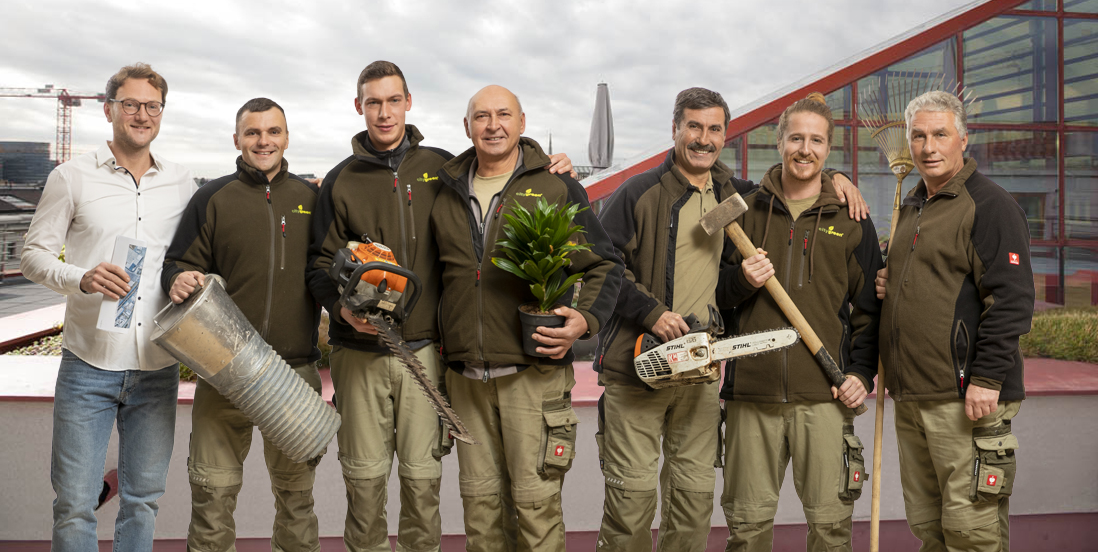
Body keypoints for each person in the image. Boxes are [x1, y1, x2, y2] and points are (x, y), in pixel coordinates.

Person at [306, 62, 575, 552]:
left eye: (393, 100)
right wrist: (341, 311)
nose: (384, 112)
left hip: (426, 353)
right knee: (363, 485)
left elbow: (501, 172)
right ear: (358, 106)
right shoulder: (339, 181)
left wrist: (549, 165)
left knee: (422, 485)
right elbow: (319, 264)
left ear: (409, 102)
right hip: (358, 351)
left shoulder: (445, 168)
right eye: (373, 102)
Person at [592, 87, 868, 552]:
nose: (703, 138)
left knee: (693, 500)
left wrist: (836, 177)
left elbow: (801, 175)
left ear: (726, 135)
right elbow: (600, 264)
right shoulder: (640, 192)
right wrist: (652, 312)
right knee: (632, 500)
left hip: (698, 372)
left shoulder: (731, 193)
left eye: (714, 128)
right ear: (675, 128)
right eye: (693, 127)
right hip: (639, 367)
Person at [429, 84, 623, 552]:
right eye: (481, 116)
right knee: (481, 512)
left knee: (536, 511)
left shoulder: (556, 186)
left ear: (521, 122)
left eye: (503, 115)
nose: (492, 125)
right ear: (467, 126)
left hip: (530, 377)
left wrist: (584, 320)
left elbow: (604, 264)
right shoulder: (444, 191)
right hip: (466, 379)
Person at [21, 62, 196, 550]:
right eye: (131, 104)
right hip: (88, 365)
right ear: (109, 109)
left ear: (162, 112)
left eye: (152, 105)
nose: (142, 114)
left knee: (143, 501)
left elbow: (189, 258)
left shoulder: (182, 184)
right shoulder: (70, 177)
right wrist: (82, 277)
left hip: (156, 366)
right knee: (75, 504)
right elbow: (32, 255)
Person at [719, 93, 882, 551]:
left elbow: (870, 310)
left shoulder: (853, 220)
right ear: (779, 142)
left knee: (831, 529)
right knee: (747, 529)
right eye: (795, 138)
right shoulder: (744, 210)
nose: (804, 149)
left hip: (824, 396)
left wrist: (860, 373)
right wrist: (742, 281)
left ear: (829, 150)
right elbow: (715, 295)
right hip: (750, 395)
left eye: (815, 140)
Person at [162, 97, 324, 552]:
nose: (263, 141)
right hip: (224, 373)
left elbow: (331, 270)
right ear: (237, 139)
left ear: (286, 137)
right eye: (252, 132)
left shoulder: (312, 199)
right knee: (212, 501)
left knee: (296, 502)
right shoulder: (211, 197)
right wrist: (178, 279)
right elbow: (177, 263)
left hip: (293, 375)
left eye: (273, 131)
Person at [875, 90, 1033, 552]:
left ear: (963, 138)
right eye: (919, 136)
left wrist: (985, 378)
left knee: (971, 531)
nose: (928, 147)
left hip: (966, 397)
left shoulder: (990, 205)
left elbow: (1012, 297)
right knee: (930, 526)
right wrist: (893, 281)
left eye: (940, 134)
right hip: (913, 393)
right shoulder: (912, 206)